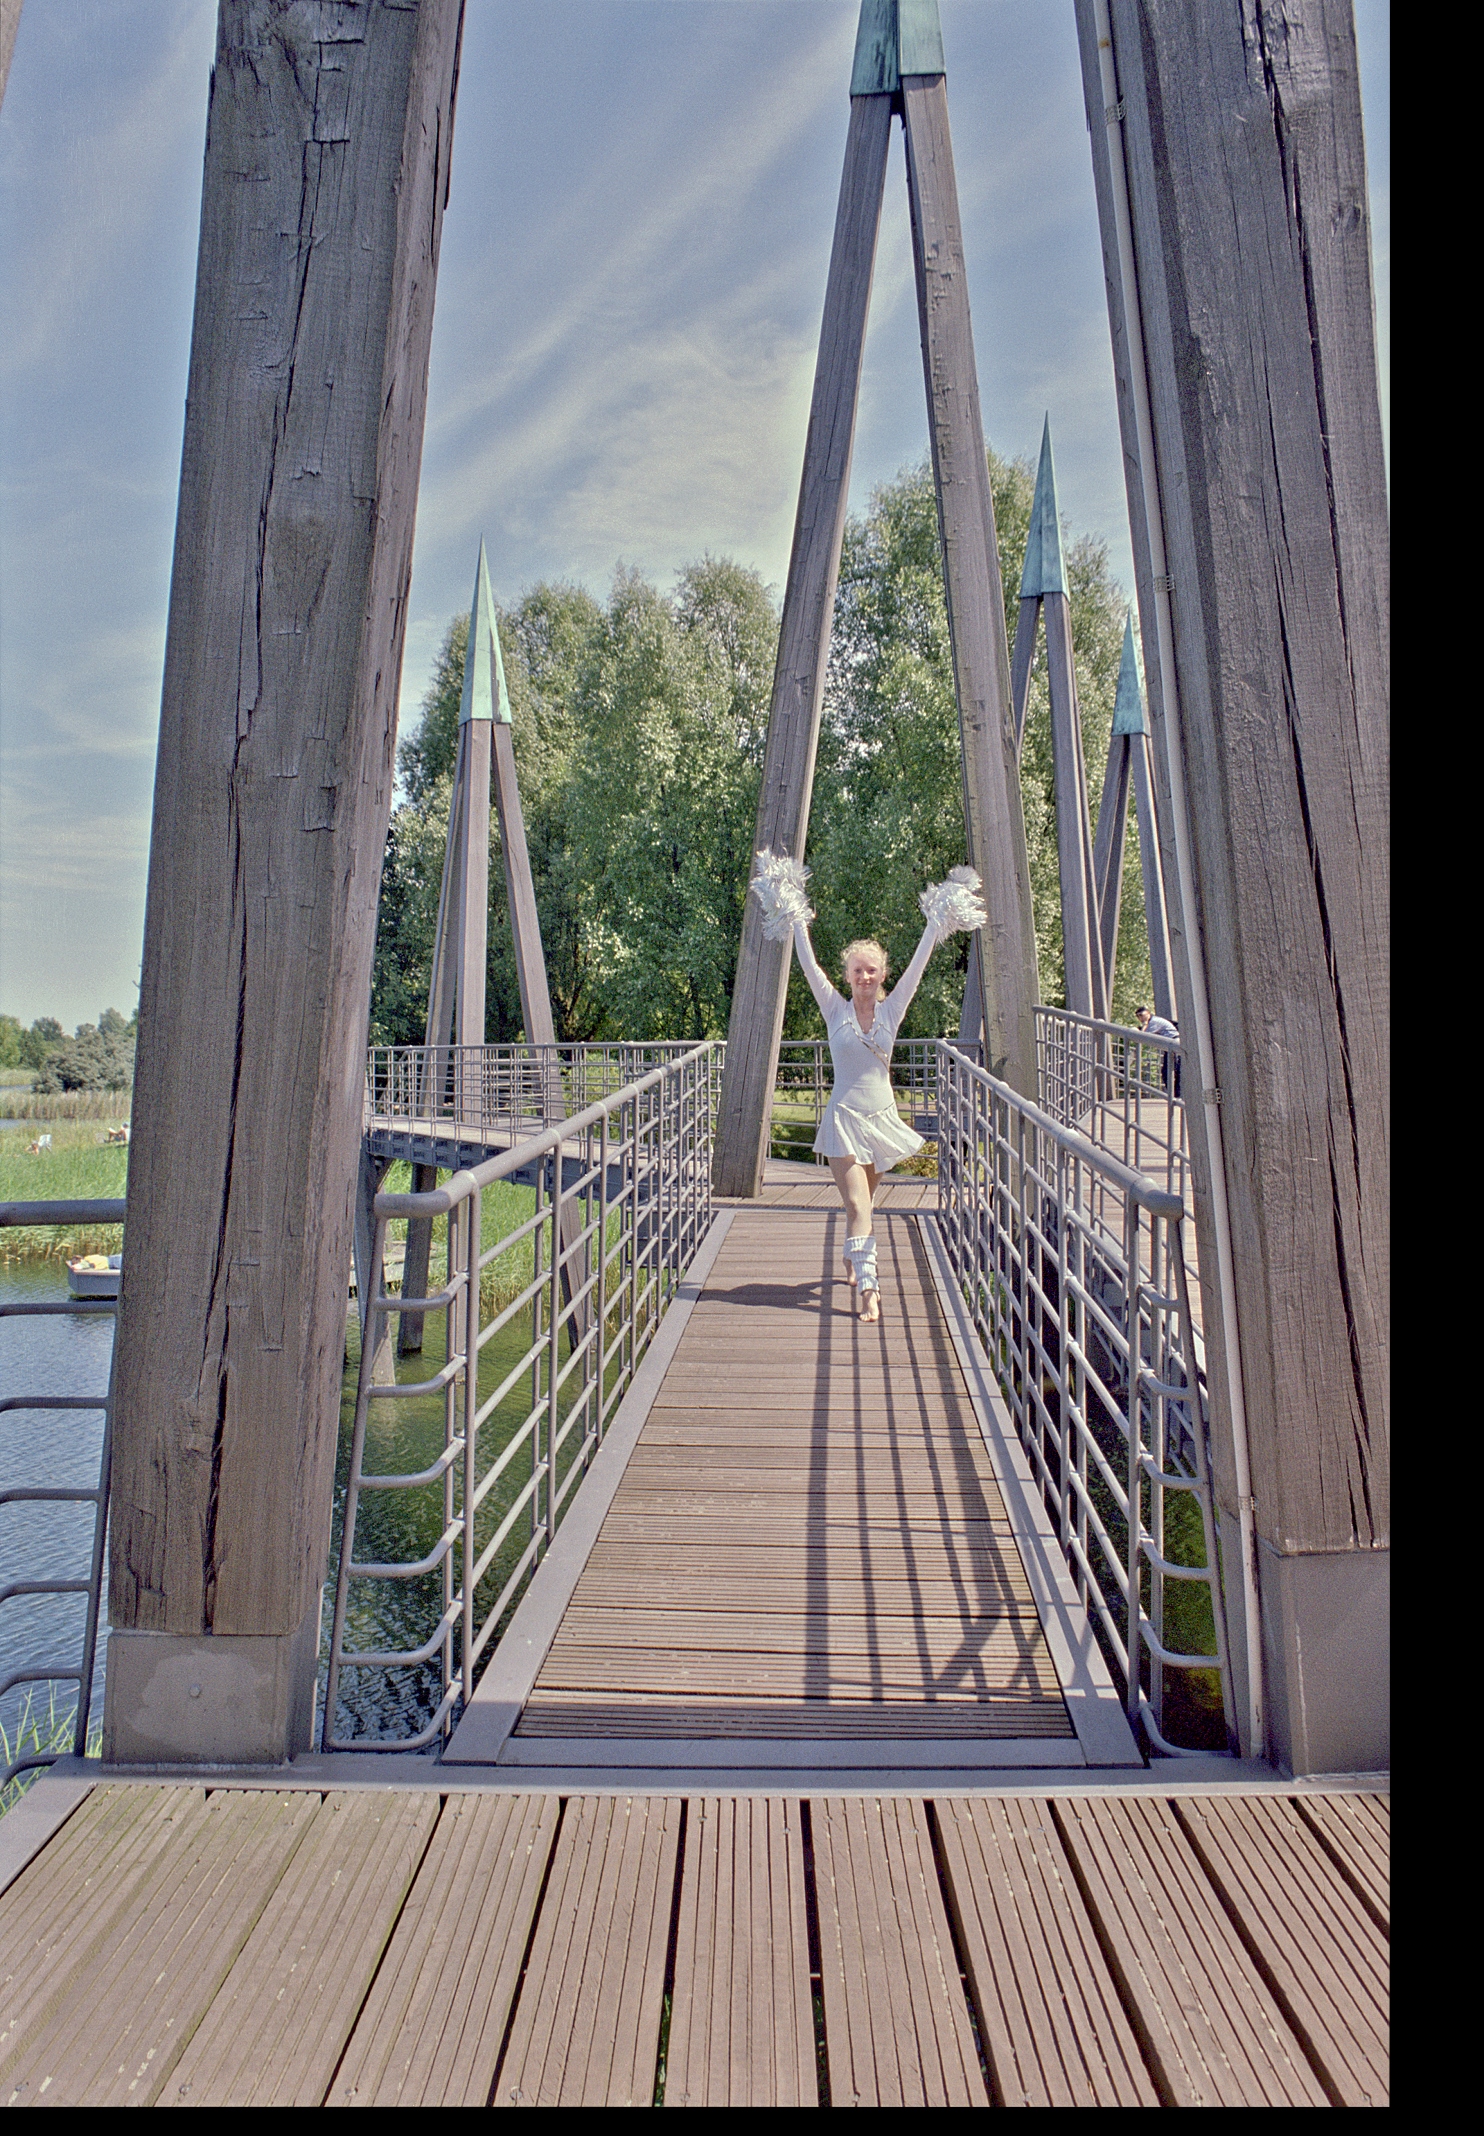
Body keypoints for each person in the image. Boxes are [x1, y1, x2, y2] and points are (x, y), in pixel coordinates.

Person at [790, 913, 944, 1323]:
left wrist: (933, 923)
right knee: (858, 1204)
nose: (865, 976)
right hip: (843, 1120)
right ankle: (871, 1289)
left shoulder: (891, 1010)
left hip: (881, 1121)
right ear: (847, 976)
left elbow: (917, 968)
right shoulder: (833, 1009)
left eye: (871, 970)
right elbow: (808, 964)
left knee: (865, 1205)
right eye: (857, 970)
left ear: (881, 975)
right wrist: (796, 920)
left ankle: (851, 1253)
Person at [1135, 1005, 1181, 1098]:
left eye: (1141, 1015)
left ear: (1148, 1013)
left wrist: (1142, 1026)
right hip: (1170, 1045)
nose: (1140, 1018)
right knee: (1168, 1071)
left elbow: (1143, 1036)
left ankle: (1176, 1095)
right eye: (1138, 1016)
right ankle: (1175, 1095)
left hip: (1173, 1043)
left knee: (1169, 1071)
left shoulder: (1154, 1022)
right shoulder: (1152, 1021)